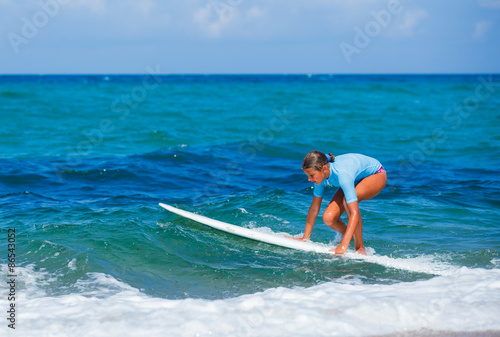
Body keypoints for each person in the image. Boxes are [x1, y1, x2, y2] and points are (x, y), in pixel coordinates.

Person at [290, 151, 387, 255]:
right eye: (308, 176)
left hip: (376, 174)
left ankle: (360, 247)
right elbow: (314, 208)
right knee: (329, 218)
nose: (309, 179)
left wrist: (343, 247)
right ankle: (348, 236)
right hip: (354, 177)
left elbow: (354, 212)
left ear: (324, 169)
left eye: (312, 175)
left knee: (347, 202)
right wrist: (305, 238)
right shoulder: (319, 177)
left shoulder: (342, 174)